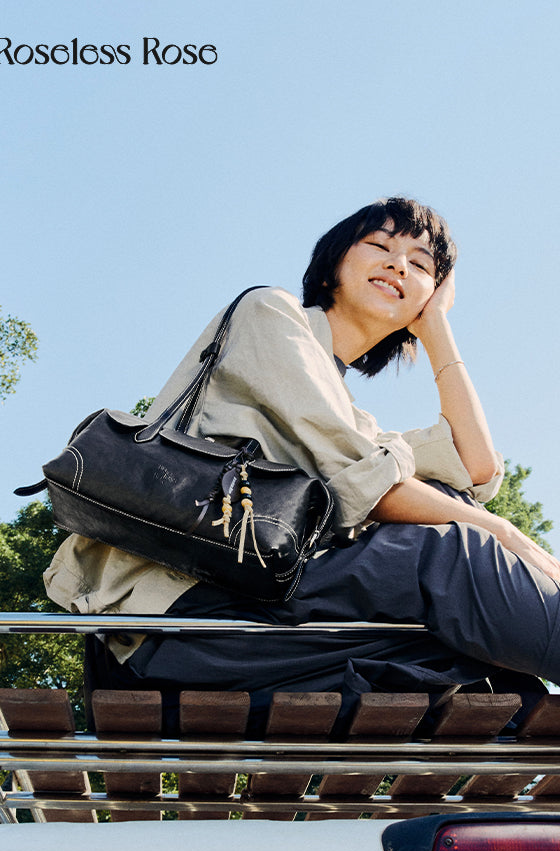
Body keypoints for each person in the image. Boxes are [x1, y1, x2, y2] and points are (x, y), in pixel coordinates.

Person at [44, 197, 560, 730]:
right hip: (188, 618)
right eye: (380, 246)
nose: (399, 264)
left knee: (461, 550)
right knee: (455, 551)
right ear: (333, 265)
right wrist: (503, 533)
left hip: (263, 627)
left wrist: (435, 331)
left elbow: (475, 469)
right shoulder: (271, 314)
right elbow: (374, 489)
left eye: (421, 265)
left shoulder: (354, 419)